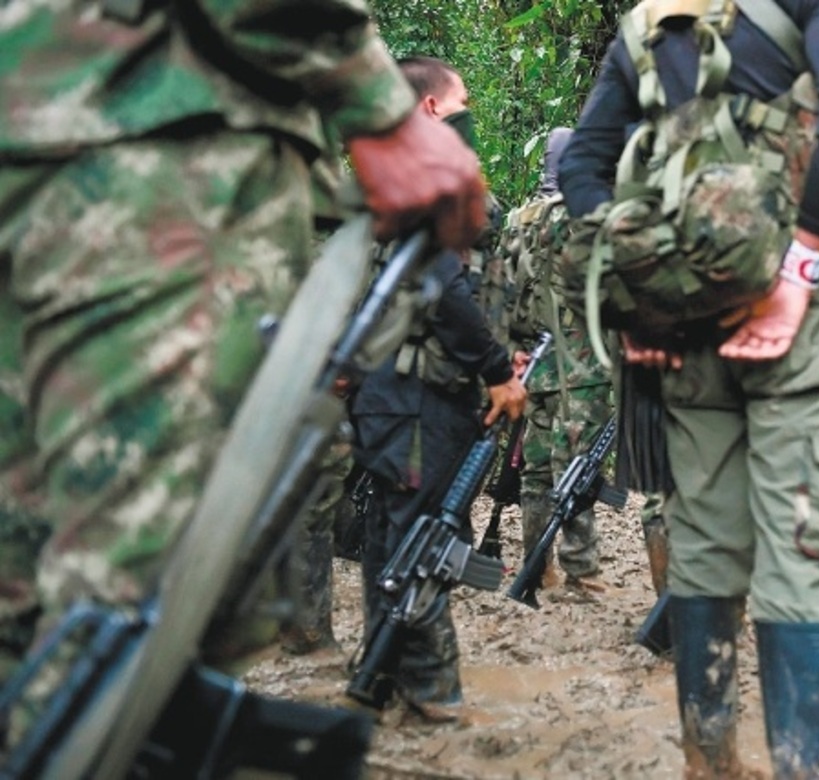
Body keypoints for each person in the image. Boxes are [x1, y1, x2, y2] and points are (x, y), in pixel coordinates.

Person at [0, 0, 486, 741]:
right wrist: (378, 105)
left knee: (23, 600)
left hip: (39, 125)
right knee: (143, 628)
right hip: (161, 146)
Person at [559, 0, 819, 776]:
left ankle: (711, 762)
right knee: (809, 543)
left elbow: (580, 167)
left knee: (702, 545)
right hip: (796, 329)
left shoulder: (646, 25)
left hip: (687, 335)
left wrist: (641, 297)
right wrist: (799, 271)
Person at [348, 55, 527, 722]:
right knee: (422, 541)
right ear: (429, 110)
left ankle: (379, 677)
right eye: (462, 101)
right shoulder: (429, 178)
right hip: (420, 399)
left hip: (385, 396)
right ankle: (430, 695)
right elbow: (444, 283)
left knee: (388, 537)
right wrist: (496, 372)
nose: (469, 115)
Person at [501, 127, 613, 592]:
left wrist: (508, 354)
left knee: (536, 468)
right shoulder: (585, 218)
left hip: (530, 363)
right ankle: (580, 571)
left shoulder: (518, 220)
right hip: (580, 364)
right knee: (580, 465)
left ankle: (537, 567)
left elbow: (499, 293)